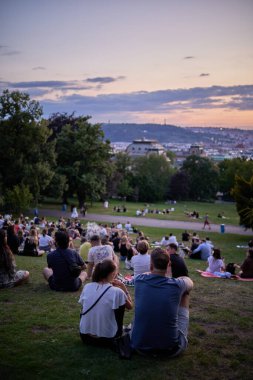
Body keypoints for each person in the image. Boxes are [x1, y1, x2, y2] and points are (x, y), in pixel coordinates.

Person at [131, 248, 193, 357]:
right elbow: (190, 282)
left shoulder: (139, 280)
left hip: (139, 346)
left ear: (150, 266)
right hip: (170, 349)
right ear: (169, 265)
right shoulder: (177, 285)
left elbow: (147, 274)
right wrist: (170, 276)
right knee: (185, 294)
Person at [79, 259, 132, 348]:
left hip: (85, 336)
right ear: (112, 274)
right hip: (108, 338)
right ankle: (117, 330)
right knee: (119, 302)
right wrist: (124, 288)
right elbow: (130, 306)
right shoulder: (117, 292)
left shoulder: (87, 287)